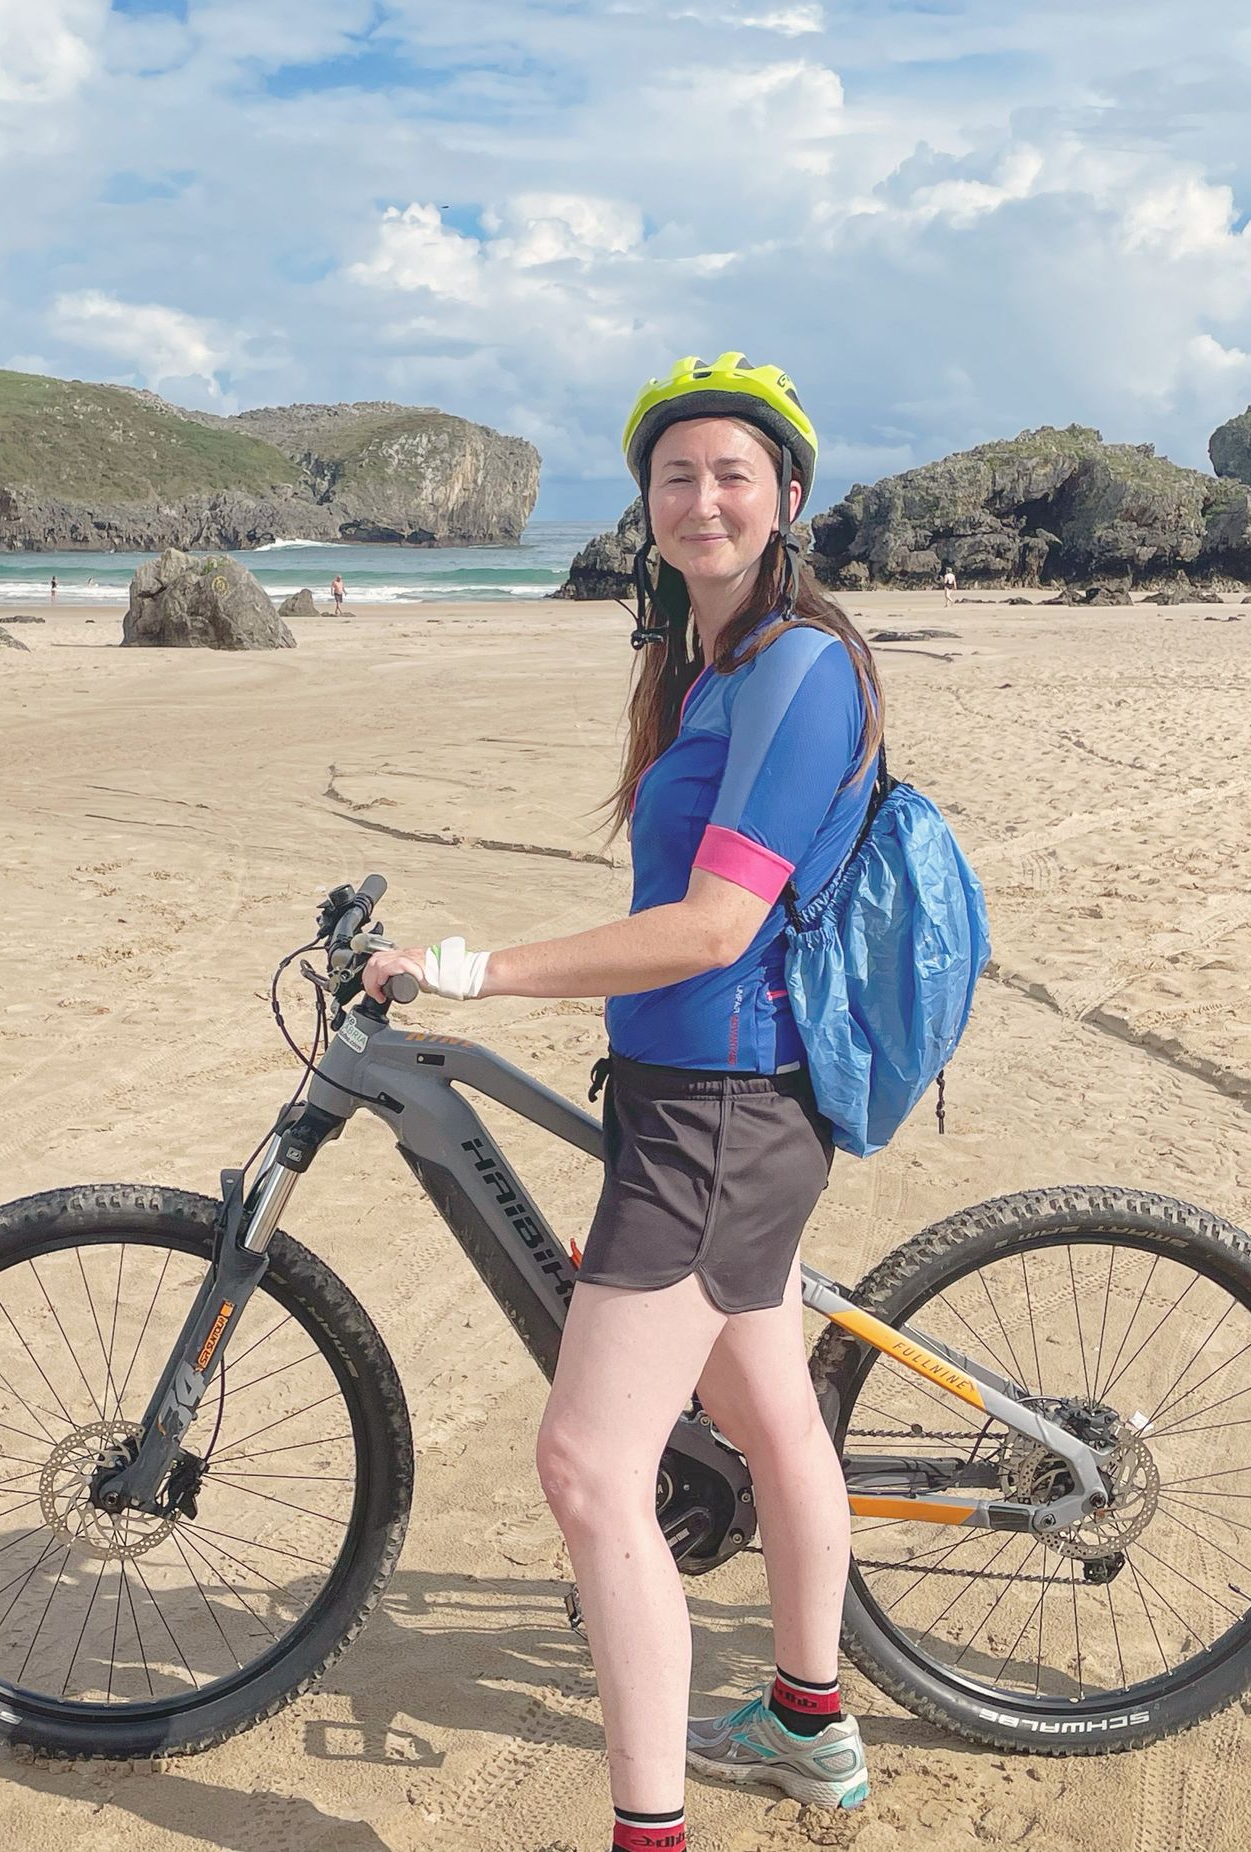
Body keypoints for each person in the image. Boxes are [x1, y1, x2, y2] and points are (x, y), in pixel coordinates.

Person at [364, 352, 882, 1847]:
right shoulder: (712, 660)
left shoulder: (797, 665)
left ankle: (648, 1831)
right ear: (648, 505)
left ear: (788, 496)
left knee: (590, 1467)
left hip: (725, 1108)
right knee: (769, 1409)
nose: (703, 498)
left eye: (733, 473)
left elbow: (715, 928)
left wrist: (478, 968)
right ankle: (807, 1720)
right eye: (676, 475)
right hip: (702, 1096)